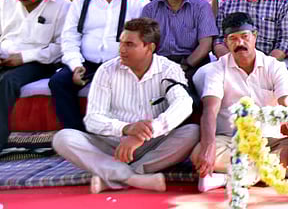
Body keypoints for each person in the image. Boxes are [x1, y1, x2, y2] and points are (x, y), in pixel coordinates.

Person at [51, 18, 199, 193]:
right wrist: (126, 129)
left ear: (149, 48)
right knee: (63, 138)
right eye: (120, 42)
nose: (121, 49)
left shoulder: (169, 69)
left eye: (130, 44)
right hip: (111, 144)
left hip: (152, 143)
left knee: (192, 132)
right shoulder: (106, 70)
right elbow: (92, 119)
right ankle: (134, 177)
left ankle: (114, 175)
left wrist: (143, 134)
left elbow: (183, 103)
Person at [191, 12, 288, 192]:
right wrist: (208, 146)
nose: (240, 44)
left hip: (268, 141)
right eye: (233, 39)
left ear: (255, 36)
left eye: (245, 37)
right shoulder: (217, 69)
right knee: (198, 153)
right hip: (230, 140)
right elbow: (210, 111)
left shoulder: (274, 66)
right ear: (226, 42)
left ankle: (227, 179)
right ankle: (271, 172)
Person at [50, 0, 149, 131]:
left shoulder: (139, 3)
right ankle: (76, 134)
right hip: (86, 64)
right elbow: (70, 38)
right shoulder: (80, 3)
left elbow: (145, 41)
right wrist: (75, 65)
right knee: (58, 82)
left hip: (122, 64)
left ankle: (120, 134)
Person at [194, 0, 288, 94]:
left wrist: (262, 64)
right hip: (233, 60)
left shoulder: (282, 2)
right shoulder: (228, 2)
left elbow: (286, 41)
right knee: (201, 75)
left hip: (270, 60)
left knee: (281, 75)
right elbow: (218, 40)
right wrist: (234, 63)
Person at [0, 0, 71, 150]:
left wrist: (23, 57)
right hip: (5, 54)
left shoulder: (62, 4)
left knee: (7, 82)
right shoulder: (7, 0)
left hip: (39, 61)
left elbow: (61, 47)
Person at [140, 0, 217, 97]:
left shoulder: (201, 7)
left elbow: (206, 45)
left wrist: (184, 65)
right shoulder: (150, 9)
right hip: (160, 65)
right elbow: (145, 45)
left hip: (192, 64)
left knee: (185, 96)